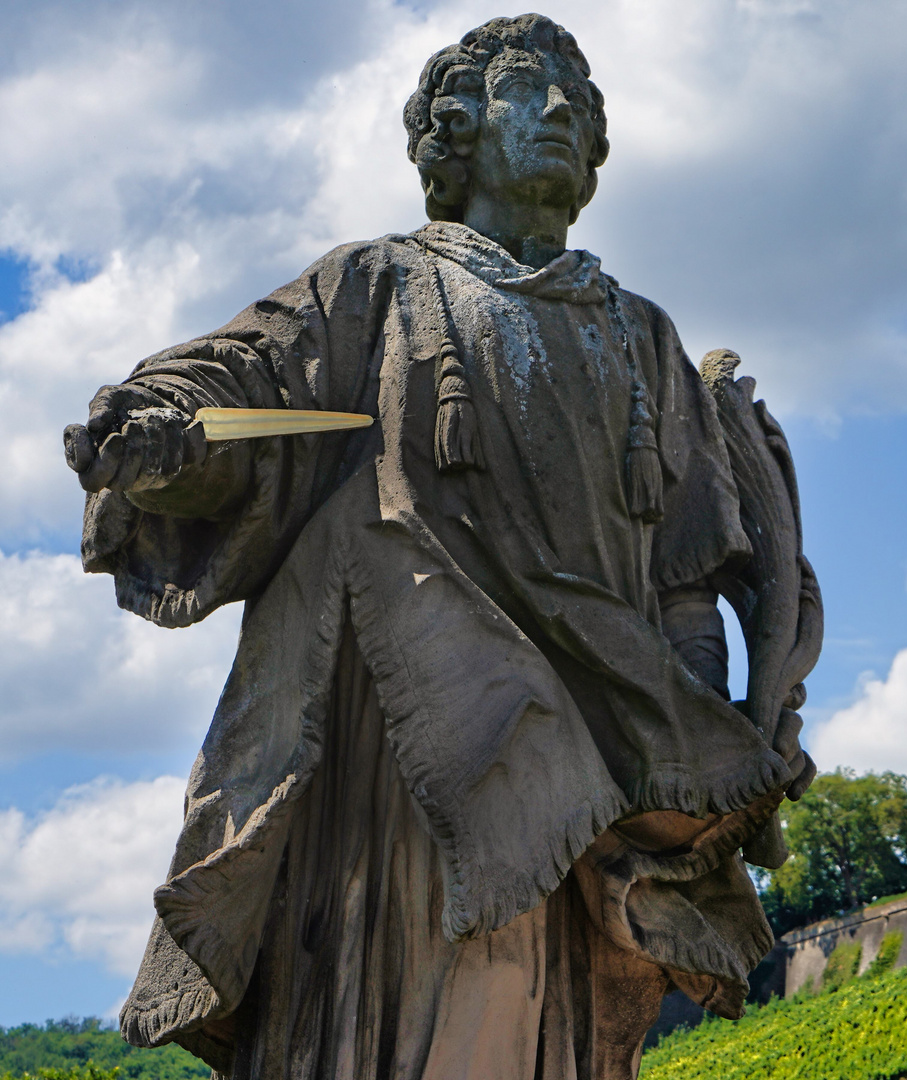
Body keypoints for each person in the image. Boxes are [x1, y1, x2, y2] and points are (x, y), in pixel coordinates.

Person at [61, 15, 818, 1079]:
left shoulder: (642, 331)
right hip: (405, 730)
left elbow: (686, 577)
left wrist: (694, 744)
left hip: (598, 746)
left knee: (541, 1023)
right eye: (523, 89)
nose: (558, 111)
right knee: (400, 1005)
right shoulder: (375, 285)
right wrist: (159, 428)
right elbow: (240, 383)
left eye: (577, 101)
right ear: (456, 133)